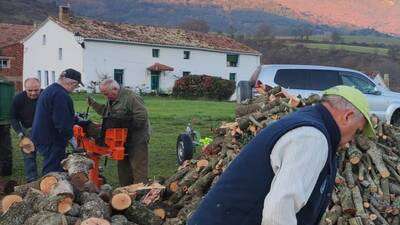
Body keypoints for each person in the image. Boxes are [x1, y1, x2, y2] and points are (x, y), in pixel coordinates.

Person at [187, 85, 375, 225]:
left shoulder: (308, 123)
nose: (352, 140)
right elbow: (278, 212)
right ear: (348, 116)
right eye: (357, 131)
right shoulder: (312, 138)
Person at [87, 79, 150, 186]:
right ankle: (125, 191)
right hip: (121, 139)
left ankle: (140, 194)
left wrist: (124, 126)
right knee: (123, 168)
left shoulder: (131, 98)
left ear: (115, 89)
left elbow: (141, 117)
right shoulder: (112, 98)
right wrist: (93, 104)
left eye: (106, 94)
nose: (106, 96)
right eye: (104, 94)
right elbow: (106, 113)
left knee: (138, 168)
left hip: (137, 139)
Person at [31, 69, 83, 175]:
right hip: (51, 138)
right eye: (76, 86)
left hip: (43, 135)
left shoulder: (50, 89)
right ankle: (50, 189)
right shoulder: (60, 95)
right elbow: (62, 122)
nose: (74, 89)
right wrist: (71, 138)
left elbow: (60, 115)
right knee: (52, 169)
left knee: (53, 165)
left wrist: (79, 121)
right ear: (73, 83)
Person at [10, 78, 42, 182]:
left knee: (49, 154)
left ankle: (50, 176)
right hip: (27, 129)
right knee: (28, 154)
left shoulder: (46, 96)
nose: (33, 93)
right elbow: (13, 118)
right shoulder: (18, 99)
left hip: (44, 128)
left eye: (36, 90)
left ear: (40, 87)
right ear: (25, 88)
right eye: (30, 90)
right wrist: (20, 134)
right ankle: (31, 179)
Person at [0, 76, 15, 176]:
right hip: (5, 121)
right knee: (5, 146)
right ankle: (6, 170)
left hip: (5, 121)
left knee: (5, 146)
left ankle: (6, 170)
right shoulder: (7, 85)